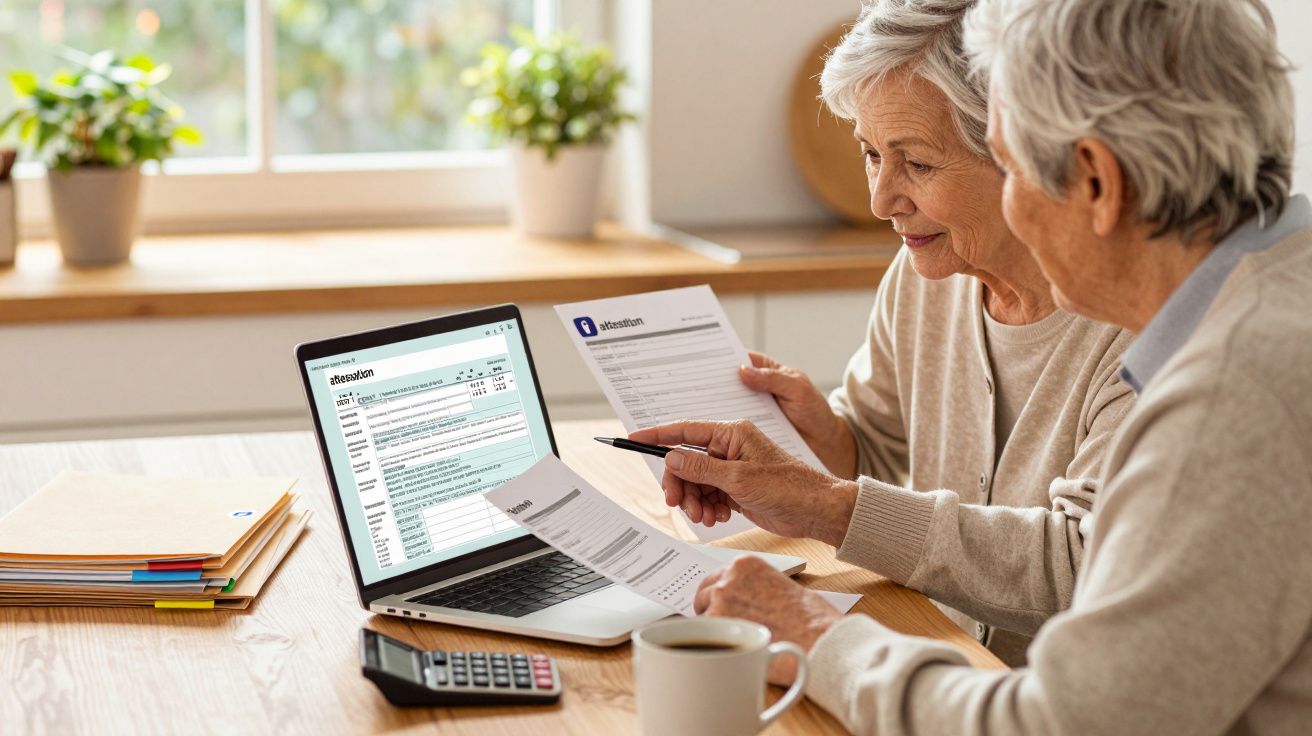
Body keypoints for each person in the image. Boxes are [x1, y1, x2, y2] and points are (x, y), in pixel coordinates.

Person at [636, 0, 1312, 732]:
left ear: (1095, 180)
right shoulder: (1268, 299)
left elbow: (1058, 724)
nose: (1016, 212)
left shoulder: (1228, 393)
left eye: (1012, 163)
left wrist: (814, 638)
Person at [666, 0, 1136, 666]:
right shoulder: (926, 271)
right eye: (869, 154)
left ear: (1020, 151)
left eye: (916, 164)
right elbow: (887, 456)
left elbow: (1084, 564)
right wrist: (826, 438)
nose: (881, 200)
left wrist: (823, 504)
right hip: (928, 655)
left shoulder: (1137, 314)